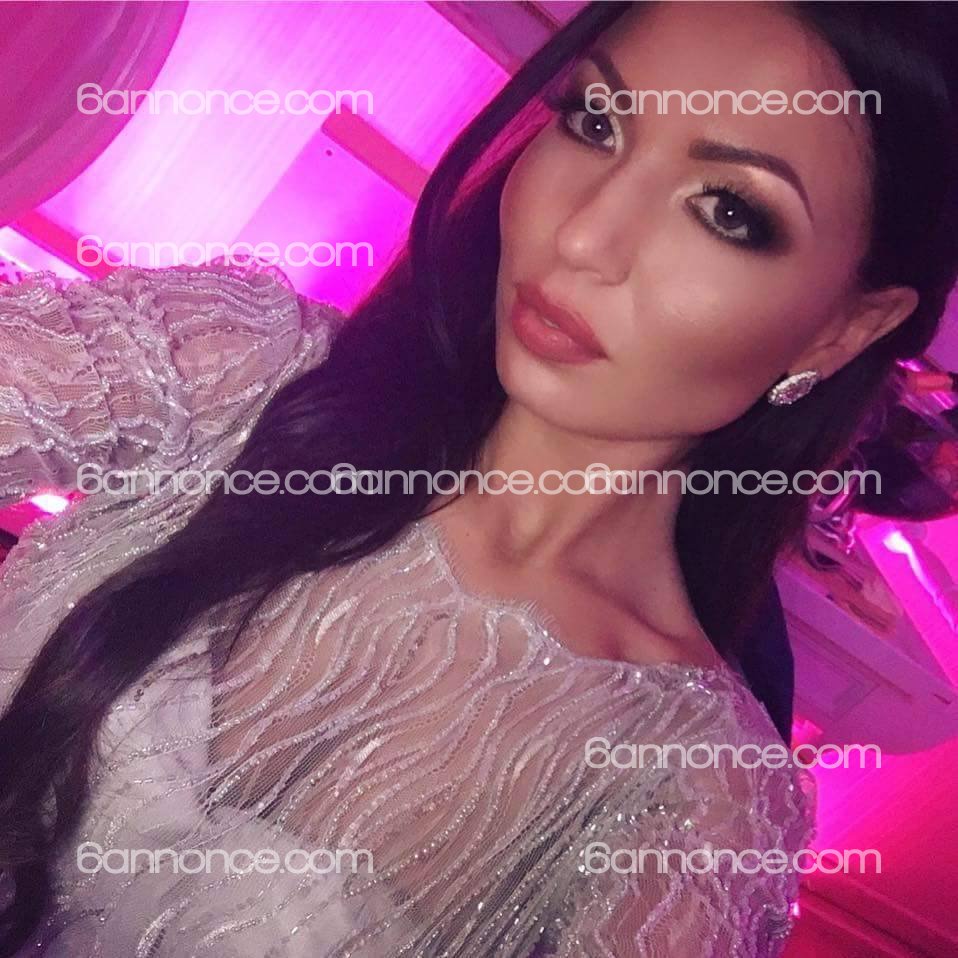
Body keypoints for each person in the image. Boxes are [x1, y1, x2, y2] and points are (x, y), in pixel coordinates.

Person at [1, 1, 956, 955]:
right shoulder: (238, 366)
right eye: (596, 121)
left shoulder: (696, 803)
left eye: (727, 211)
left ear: (844, 330)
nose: (582, 236)